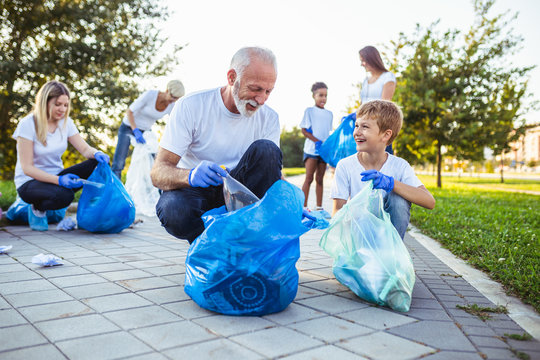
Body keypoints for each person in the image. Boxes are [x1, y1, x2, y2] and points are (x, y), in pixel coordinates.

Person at [151, 46, 284, 244]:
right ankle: (209, 246)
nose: (261, 99)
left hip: (240, 193)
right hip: (195, 192)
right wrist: (189, 175)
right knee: (174, 209)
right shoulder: (191, 106)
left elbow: (271, 173)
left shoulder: (269, 118)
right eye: (255, 89)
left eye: (268, 91)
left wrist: (292, 203)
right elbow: (158, 172)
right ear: (232, 78)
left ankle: (238, 243)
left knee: (267, 149)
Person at [12, 80, 110, 231]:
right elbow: (27, 168)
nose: (62, 109)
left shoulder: (66, 122)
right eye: (58, 104)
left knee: (96, 163)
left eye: (65, 105)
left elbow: (84, 149)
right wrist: (59, 180)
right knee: (65, 197)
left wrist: (97, 153)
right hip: (30, 182)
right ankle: (37, 208)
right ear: (45, 102)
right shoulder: (27, 124)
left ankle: (96, 205)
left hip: (56, 177)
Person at [330, 100, 435, 239]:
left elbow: (429, 201)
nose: (357, 132)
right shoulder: (345, 166)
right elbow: (338, 209)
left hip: (388, 240)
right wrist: (330, 224)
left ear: (386, 135)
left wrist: (391, 183)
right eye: (356, 126)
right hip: (358, 235)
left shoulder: (400, 166)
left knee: (398, 200)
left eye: (365, 127)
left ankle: (392, 255)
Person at [111, 80, 185, 179]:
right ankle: (114, 190)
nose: (173, 100)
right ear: (167, 90)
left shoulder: (171, 105)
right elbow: (130, 111)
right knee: (119, 162)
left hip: (145, 132)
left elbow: (175, 123)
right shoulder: (150, 95)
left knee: (154, 159)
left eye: (176, 99)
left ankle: (155, 188)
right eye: (173, 97)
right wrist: (135, 130)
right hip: (129, 127)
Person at [300, 82, 333, 216]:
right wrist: (316, 141)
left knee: (320, 179)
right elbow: (304, 130)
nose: (323, 98)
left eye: (325, 96)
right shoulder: (309, 111)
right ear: (314, 96)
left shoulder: (329, 114)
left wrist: (326, 145)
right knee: (309, 178)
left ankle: (319, 207)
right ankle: (303, 207)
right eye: (320, 95)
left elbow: (328, 133)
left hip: (323, 151)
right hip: (311, 150)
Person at [359, 46, 397, 154]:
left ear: (371, 59)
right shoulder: (365, 81)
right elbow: (362, 104)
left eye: (363, 61)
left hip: (379, 127)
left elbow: (385, 105)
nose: (362, 64)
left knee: (383, 163)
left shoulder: (387, 77)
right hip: (365, 128)